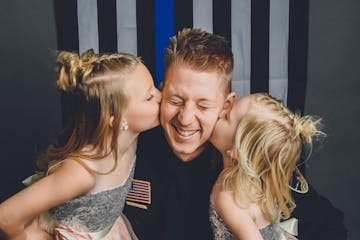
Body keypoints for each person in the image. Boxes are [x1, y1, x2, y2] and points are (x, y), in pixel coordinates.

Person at [123, 28, 347, 239]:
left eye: (203, 106)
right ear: (161, 92)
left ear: (227, 105)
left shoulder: (254, 162)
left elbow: (331, 227)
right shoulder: (131, 146)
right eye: (175, 100)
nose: (185, 118)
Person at [0, 49, 161, 239]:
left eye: (155, 88)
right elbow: (6, 217)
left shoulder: (131, 137)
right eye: (149, 97)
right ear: (116, 118)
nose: (161, 96)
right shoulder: (82, 173)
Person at [209, 93, 320, 239]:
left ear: (237, 150)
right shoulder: (255, 182)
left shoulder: (229, 199)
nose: (220, 112)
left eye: (227, 117)